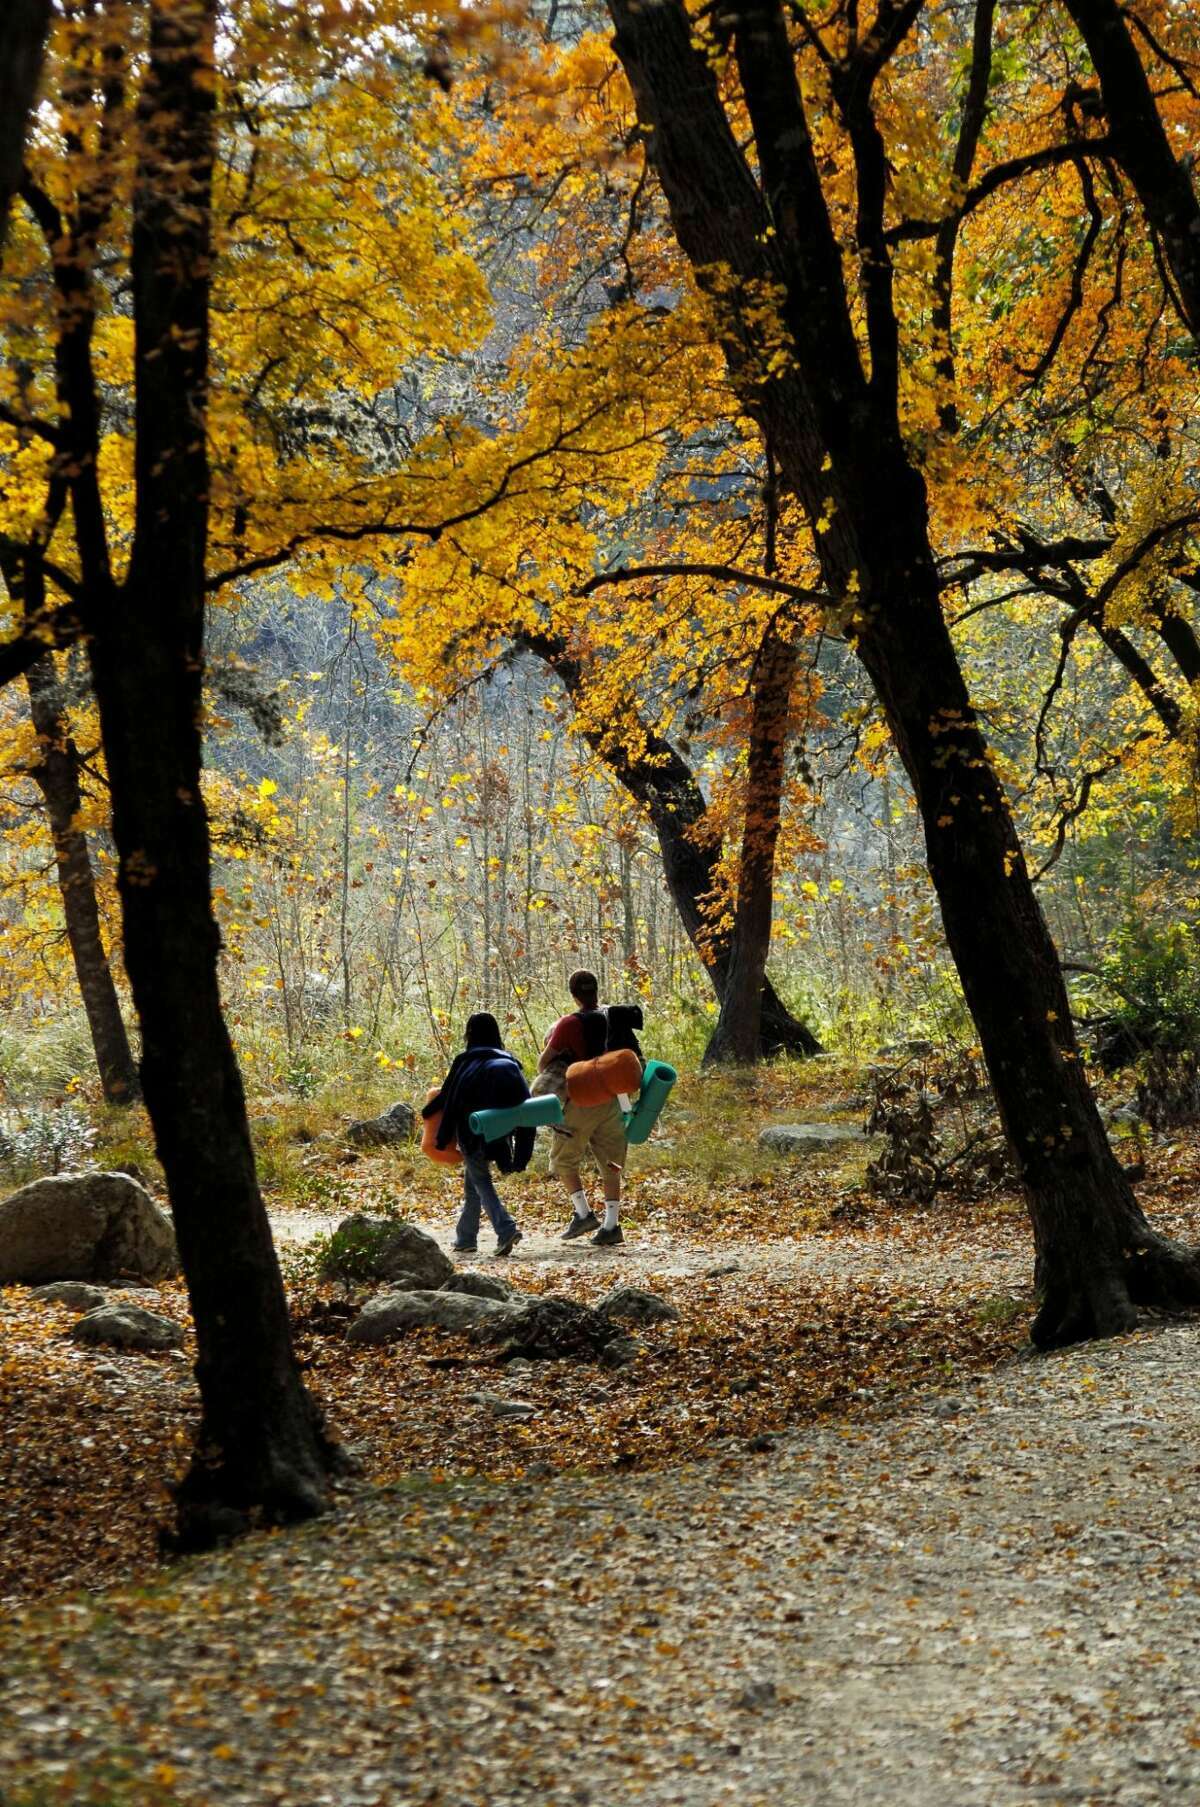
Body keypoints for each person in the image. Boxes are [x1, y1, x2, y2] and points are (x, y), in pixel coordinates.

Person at [540, 971, 638, 1247]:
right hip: (615, 1098)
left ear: (573, 994)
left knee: (563, 1158)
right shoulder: (615, 1016)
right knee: (612, 1162)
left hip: (582, 1098)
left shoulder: (568, 1024)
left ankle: (583, 1214)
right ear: (597, 990)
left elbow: (543, 1063)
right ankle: (611, 1225)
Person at [422, 1013, 532, 1257]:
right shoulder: (509, 1061)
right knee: (474, 1181)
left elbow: (447, 1095)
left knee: (481, 1180)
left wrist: (427, 1113)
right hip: (502, 1130)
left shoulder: (464, 1061)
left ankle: (505, 1228)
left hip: (472, 1130)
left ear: (469, 1034)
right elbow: (525, 1103)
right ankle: (466, 1237)